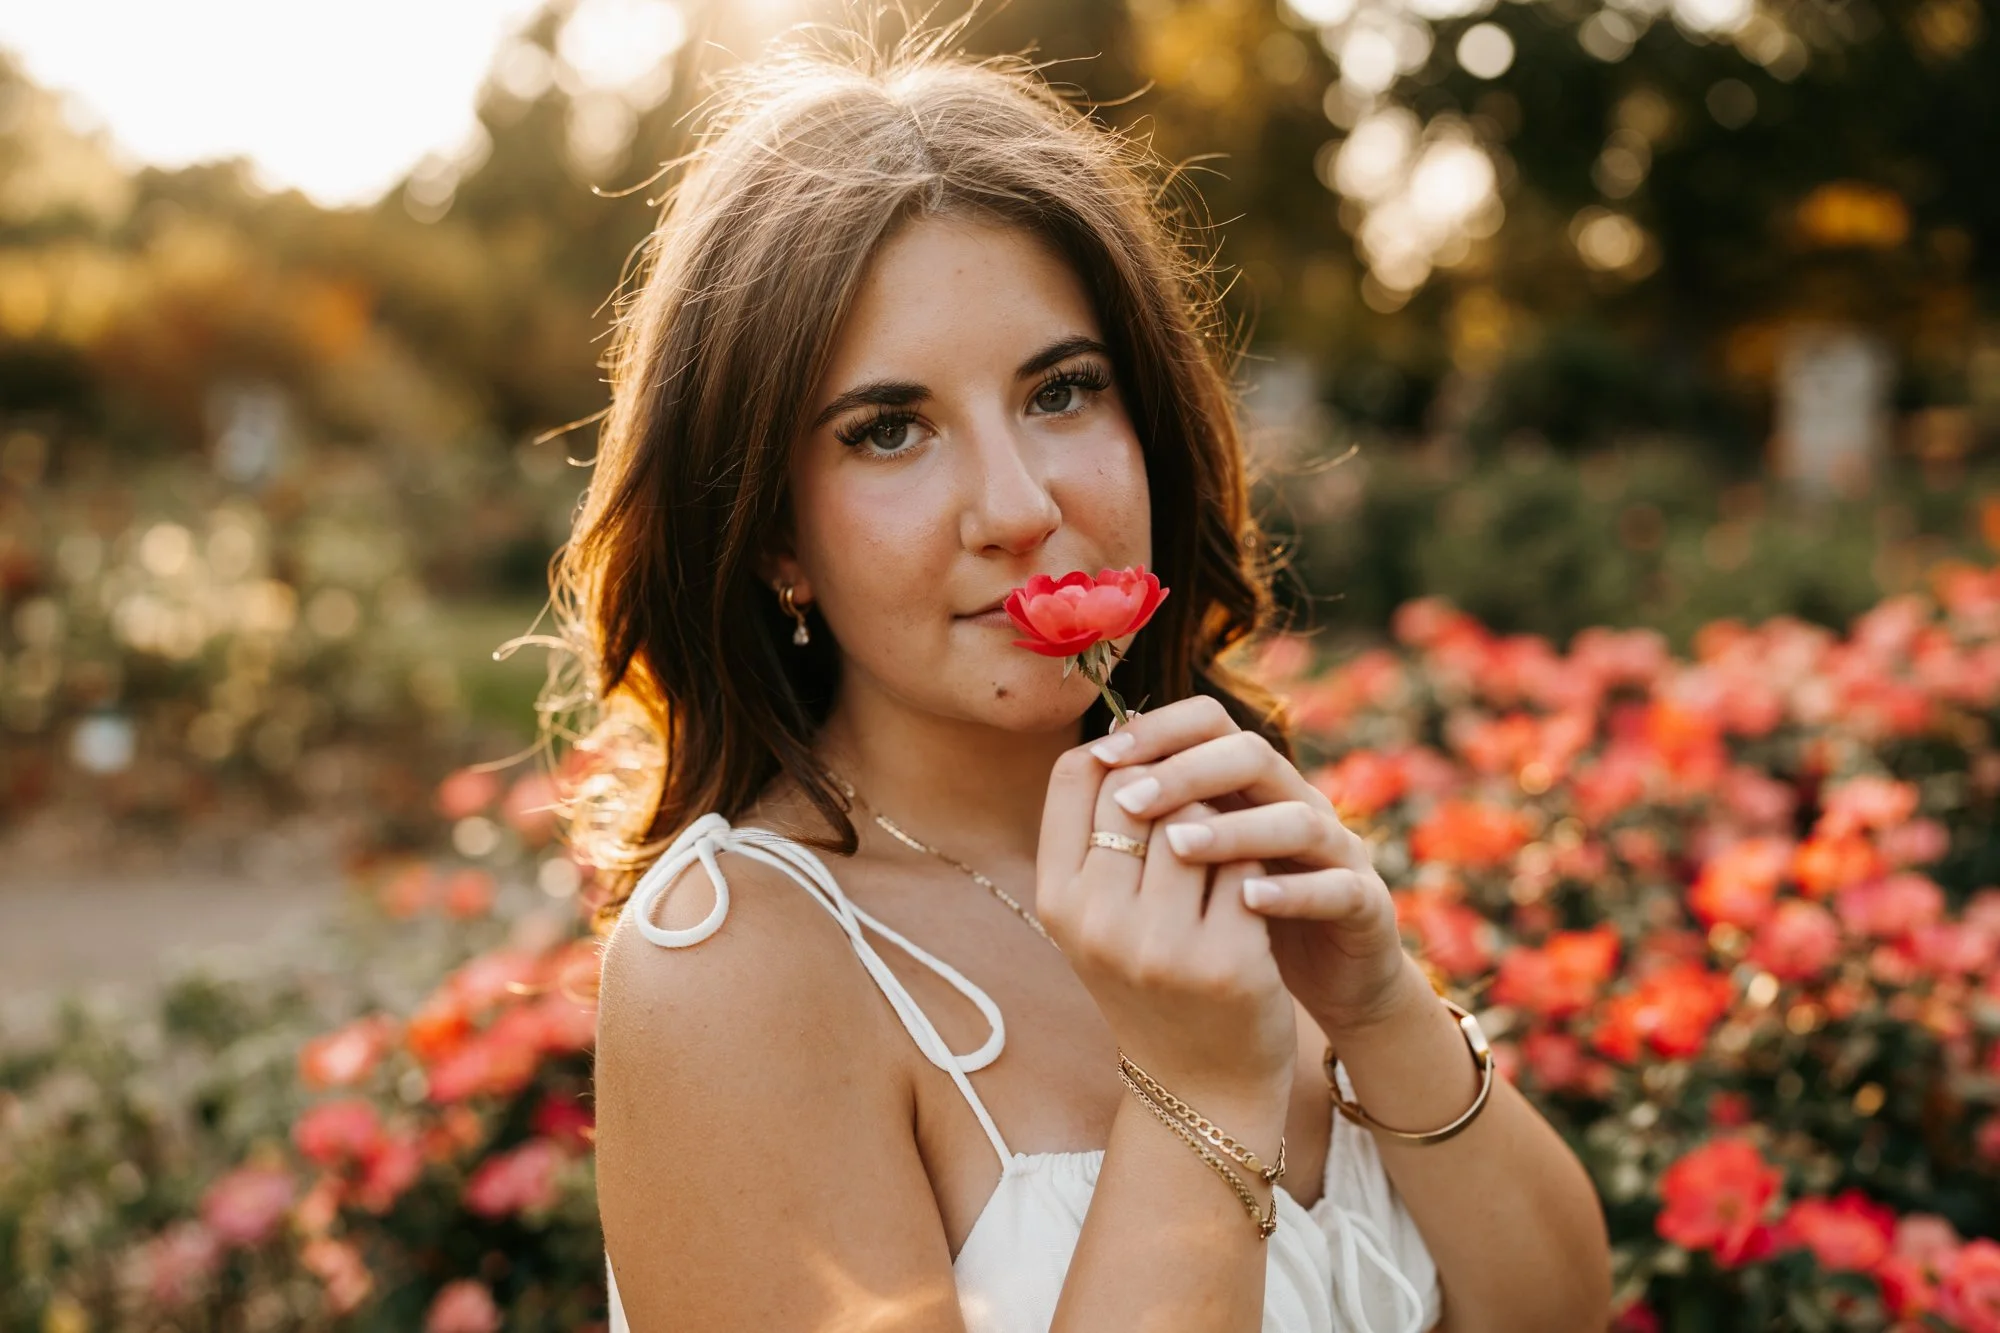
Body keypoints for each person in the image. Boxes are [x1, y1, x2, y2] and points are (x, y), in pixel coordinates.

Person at [569, 22, 1611, 1333]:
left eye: (1062, 394)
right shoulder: (732, 967)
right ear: (776, 531)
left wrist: (1379, 1003)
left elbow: (1555, 1311)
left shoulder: (1214, 847)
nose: (1016, 507)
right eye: (890, 430)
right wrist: (1206, 1091)